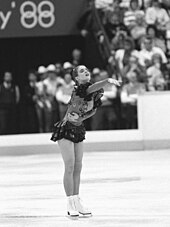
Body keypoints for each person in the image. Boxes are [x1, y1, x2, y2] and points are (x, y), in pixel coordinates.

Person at [50, 65, 121, 218]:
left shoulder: (94, 92)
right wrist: (107, 80)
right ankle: (70, 202)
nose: (86, 71)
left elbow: (93, 110)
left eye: (86, 69)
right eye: (81, 71)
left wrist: (81, 118)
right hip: (66, 128)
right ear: (76, 78)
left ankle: (77, 200)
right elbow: (92, 88)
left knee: (78, 167)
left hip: (78, 129)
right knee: (69, 166)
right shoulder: (81, 89)